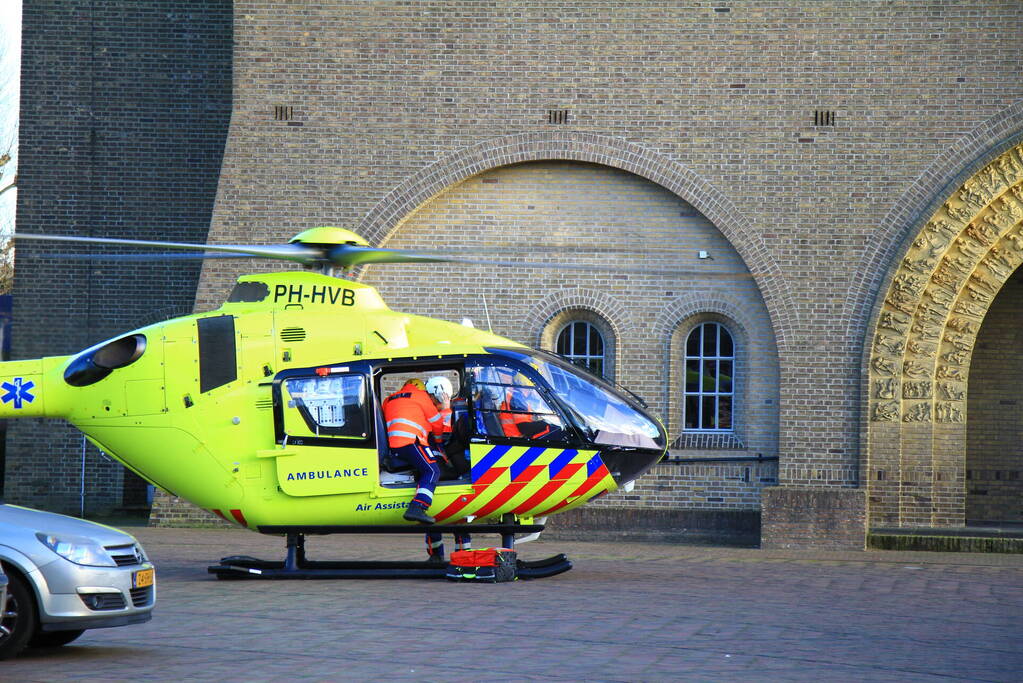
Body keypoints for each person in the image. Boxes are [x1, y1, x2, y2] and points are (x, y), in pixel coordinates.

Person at [383, 378, 446, 524]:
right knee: (432, 471)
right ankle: (418, 507)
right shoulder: (421, 396)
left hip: (394, 445)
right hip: (411, 441)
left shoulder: (388, 399)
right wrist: (439, 443)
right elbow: (437, 423)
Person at [423, 376, 471, 561]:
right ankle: (458, 554)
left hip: (446, 467)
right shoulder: (453, 410)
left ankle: (452, 555)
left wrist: (443, 410)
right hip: (448, 466)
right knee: (453, 514)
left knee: (438, 512)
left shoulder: (447, 413)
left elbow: (442, 438)